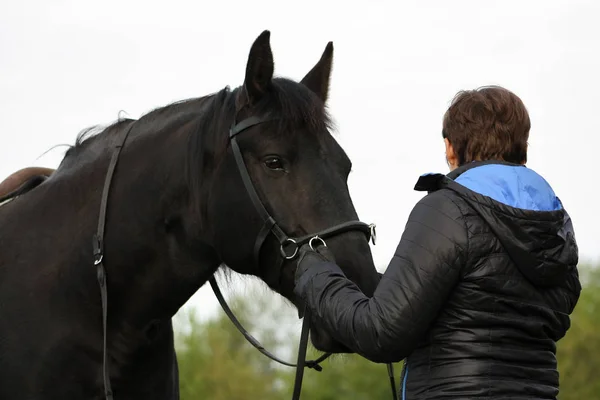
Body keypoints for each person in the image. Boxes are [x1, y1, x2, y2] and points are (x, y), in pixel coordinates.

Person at [294, 86, 581, 399]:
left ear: (450, 148)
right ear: (522, 147)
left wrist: (315, 273)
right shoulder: (554, 223)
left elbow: (381, 333)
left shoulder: (448, 210)